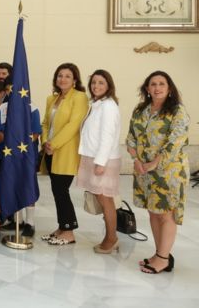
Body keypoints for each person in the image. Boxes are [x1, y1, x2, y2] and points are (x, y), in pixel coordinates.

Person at [128, 71, 189, 274]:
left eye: (162, 84)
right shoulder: (140, 110)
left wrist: (155, 162)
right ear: (147, 88)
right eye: (153, 84)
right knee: (153, 212)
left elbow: (175, 141)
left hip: (169, 172)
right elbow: (131, 137)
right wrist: (136, 160)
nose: (157, 87)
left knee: (166, 213)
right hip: (144, 171)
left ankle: (163, 259)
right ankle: (160, 253)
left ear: (169, 88)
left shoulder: (177, 111)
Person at [40, 63, 88, 246]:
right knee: (56, 190)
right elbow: (45, 123)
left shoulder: (80, 97)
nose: (63, 79)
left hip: (65, 151)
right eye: (60, 75)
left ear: (75, 80)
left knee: (62, 190)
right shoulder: (52, 99)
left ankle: (69, 231)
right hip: (50, 150)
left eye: (67, 76)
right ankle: (62, 228)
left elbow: (74, 125)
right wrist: (45, 142)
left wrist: (54, 144)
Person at [76, 70, 122, 253]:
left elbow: (107, 136)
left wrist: (101, 162)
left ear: (109, 85)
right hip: (93, 157)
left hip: (103, 159)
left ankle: (112, 239)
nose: (96, 86)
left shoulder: (109, 106)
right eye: (94, 82)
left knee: (106, 200)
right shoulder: (96, 104)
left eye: (101, 83)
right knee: (102, 198)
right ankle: (110, 236)